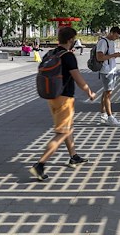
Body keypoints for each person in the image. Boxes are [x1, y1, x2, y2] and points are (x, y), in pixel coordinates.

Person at [29, 26, 96, 181]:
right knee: (62, 133)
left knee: (67, 128)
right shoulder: (68, 56)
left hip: (52, 97)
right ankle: (40, 165)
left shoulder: (52, 53)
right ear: (70, 40)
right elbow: (78, 78)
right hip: (65, 99)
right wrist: (89, 92)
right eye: (74, 40)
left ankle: (74, 156)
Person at [97, 27, 120, 126]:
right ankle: (110, 117)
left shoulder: (111, 42)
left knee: (106, 92)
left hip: (111, 70)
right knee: (108, 93)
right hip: (106, 71)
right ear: (111, 33)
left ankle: (103, 114)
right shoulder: (103, 42)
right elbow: (99, 57)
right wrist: (113, 55)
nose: (116, 38)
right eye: (116, 36)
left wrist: (114, 55)